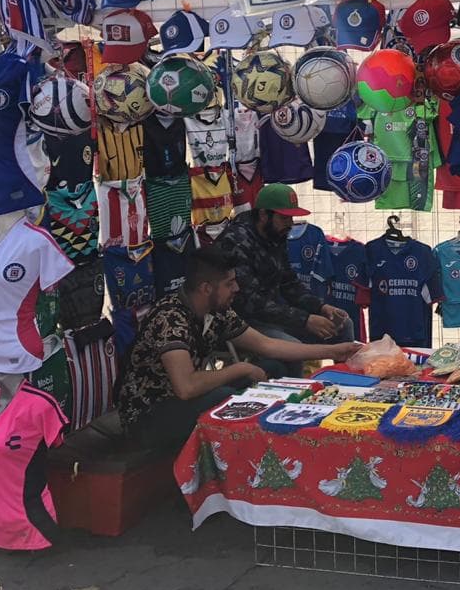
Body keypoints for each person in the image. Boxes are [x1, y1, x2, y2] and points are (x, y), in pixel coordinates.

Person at [116, 247, 361, 450]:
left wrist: (333, 352)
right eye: (229, 283)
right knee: (225, 399)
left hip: (183, 401)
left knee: (273, 367)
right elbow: (186, 387)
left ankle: (274, 442)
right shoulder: (170, 318)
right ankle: (237, 465)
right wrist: (240, 368)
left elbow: (268, 345)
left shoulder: (217, 311)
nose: (237, 289)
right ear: (206, 288)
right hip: (148, 417)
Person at [214, 183, 353, 348]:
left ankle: (345, 373)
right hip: (239, 323)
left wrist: (321, 307)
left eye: (292, 218)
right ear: (264, 215)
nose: (290, 224)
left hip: (272, 318)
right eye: (284, 218)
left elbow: (290, 284)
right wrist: (304, 320)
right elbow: (250, 303)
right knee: (291, 348)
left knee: (343, 324)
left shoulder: (274, 236)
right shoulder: (235, 241)